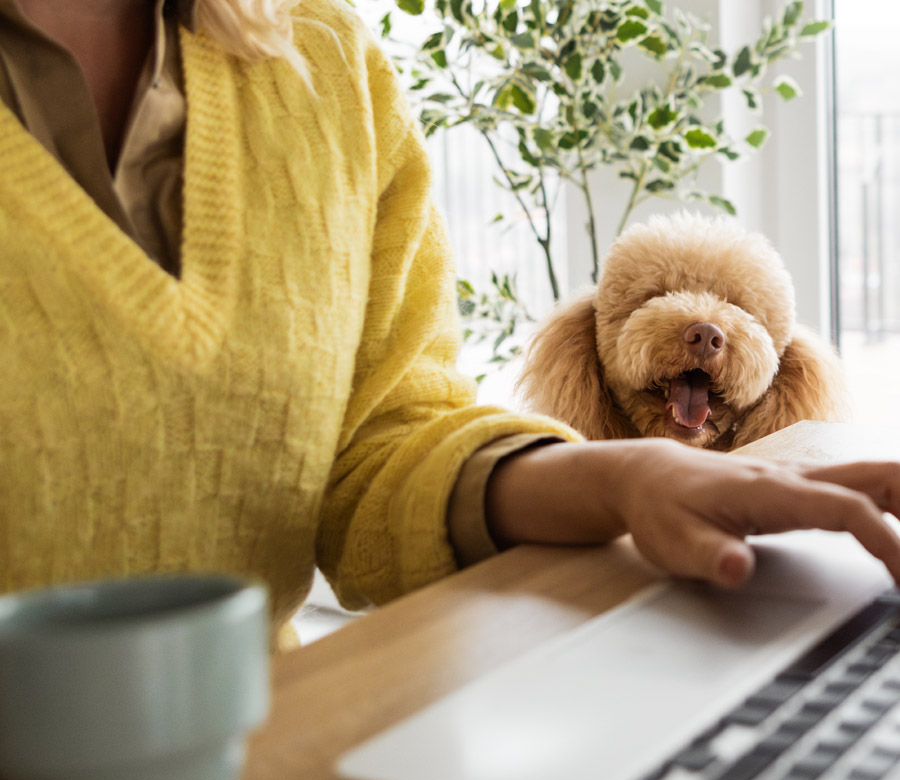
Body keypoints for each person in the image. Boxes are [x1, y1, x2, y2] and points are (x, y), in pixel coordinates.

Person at [1, 0, 898, 648]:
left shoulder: (328, 64)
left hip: (259, 754)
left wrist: (621, 477)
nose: (706, 336)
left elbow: (378, 441)